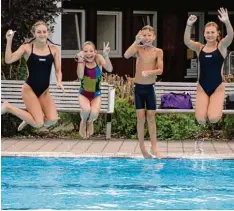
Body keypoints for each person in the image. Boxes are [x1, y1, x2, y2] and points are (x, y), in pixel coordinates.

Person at [184, 8, 233, 152]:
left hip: (218, 87)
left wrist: (227, 22)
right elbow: (187, 42)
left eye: (213, 32)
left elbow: (230, 36)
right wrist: (188, 25)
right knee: (200, 119)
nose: (210, 35)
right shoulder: (200, 48)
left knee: (212, 118)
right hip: (202, 87)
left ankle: (216, 108)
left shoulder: (222, 47)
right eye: (207, 32)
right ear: (204, 34)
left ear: (217, 34)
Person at [1, 20, 64, 131]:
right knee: (38, 123)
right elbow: (8, 60)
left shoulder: (53, 49)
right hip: (29, 89)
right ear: (33, 33)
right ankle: (8, 107)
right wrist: (9, 41)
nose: (42, 34)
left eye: (44, 31)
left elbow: (58, 70)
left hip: (44, 92)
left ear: (47, 33)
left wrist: (59, 81)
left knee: (52, 119)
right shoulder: (27, 48)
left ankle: (29, 117)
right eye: (39, 32)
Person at [124, 25, 163, 159]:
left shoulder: (158, 51)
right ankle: (142, 148)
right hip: (139, 88)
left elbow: (160, 70)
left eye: (149, 35)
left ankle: (154, 147)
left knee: (151, 117)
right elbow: (126, 55)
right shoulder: (138, 49)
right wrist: (136, 41)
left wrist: (149, 72)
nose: (146, 38)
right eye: (144, 35)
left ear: (154, 37)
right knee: (140, 117)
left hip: (150, 87)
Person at [76, 41, 113, 138]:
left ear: (95, 52)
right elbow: (80, 76)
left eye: (91, 51)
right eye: (86, 51)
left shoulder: (98, 59)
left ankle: (90, 121)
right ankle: (83, 122)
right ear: (82, 52)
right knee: (86, 109)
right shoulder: (82, 61)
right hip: (83, 94)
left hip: (96, 94)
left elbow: (109, 69)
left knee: (94, 114)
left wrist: (106, 55)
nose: (89, 53)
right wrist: (80, 60)